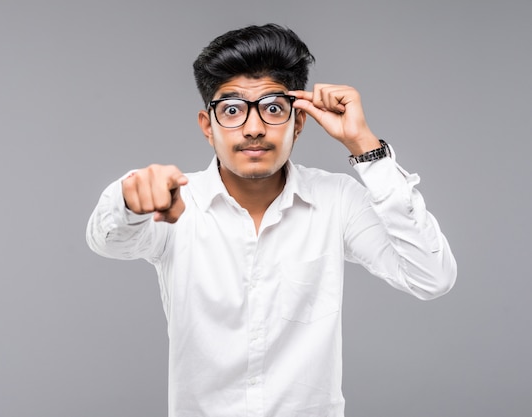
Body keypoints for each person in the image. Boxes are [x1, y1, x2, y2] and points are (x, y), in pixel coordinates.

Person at [86, 23, 457, 417]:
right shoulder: (179, 202)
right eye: (231, 109)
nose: (253, 128)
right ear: (206, 126)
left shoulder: (336, 200)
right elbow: (109, 240)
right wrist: (128, 198)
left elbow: (431, 277)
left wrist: (366, 147)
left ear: (298, 123)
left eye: (273, 108)